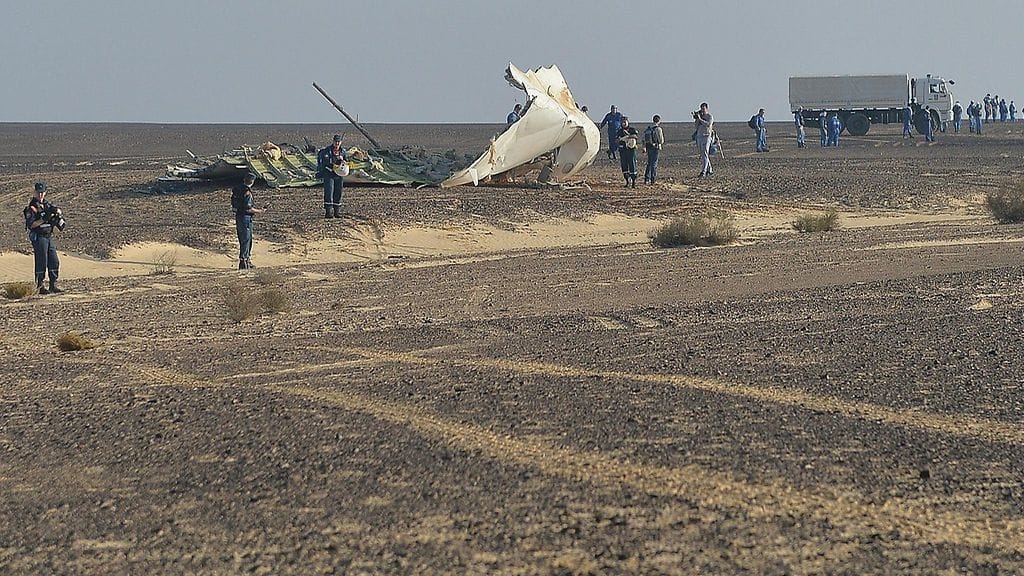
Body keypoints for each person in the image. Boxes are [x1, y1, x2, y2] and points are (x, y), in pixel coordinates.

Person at [23, 182, 62, 294]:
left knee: (54, 261)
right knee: (41, 261)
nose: (40, 195)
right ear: (35, 192)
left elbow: (56, 211)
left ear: (45, 192)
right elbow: (31, 224)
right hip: (39, 237)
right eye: (38, 192)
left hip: (48, 236)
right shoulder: (32, 207)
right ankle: (40, 286)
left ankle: (53, 285)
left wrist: (57, 213)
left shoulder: (46, 205)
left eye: (42, 192)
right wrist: (44, 219)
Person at [232, 173, 265, 270]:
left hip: (238, 216)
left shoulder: (237, 189)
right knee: (247, 239)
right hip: (245, 218)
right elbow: (248, 208)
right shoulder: (247, 192)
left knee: (243, 239)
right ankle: (244, 261)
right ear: (252, 181)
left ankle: (245, 260)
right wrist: (260, 211)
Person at [316, 134, 347, 219]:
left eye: (338, 142)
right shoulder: (327, 151)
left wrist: (343, 162)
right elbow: (324, 163)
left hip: (339, 174)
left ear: (341, 142)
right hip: (329, 174)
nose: (337, 143)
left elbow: (346, 161)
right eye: (336, 141)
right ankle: (328, 212)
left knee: (338, 191)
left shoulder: (343, 152)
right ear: (333, 141)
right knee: (329, 191)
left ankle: (337, 211)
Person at [616, 116, 640, 188]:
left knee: (632, 164)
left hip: (631, 150)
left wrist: (627, 137)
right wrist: (620, 140)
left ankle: (633, 182)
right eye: (622, 122)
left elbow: (635, 136)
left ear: (627, 122)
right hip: (623, 150)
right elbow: (616, 140)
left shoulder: (632, 129)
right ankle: (627, 181)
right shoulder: (619, 131)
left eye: (625, 122)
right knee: (624, 165)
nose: (623, 123)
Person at [642, 114, 664, 185]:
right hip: (655, 147)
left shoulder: (648, 129)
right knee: (654, 163)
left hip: (649, 147)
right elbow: (661, 140)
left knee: (649, 163)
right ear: (659, 121)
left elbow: (643, 139)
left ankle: (646, 178)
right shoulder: (658, 129)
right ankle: (652, 179)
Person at [694, 102, 714, 177]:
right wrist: (697, 119)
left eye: (704, 109)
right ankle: (710, 170)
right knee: (702, 154)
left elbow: (708, 124)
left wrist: (700, 119)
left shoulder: (710, 116)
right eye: (701, 109)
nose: (702, 110)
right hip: (699, 136)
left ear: (707, 109)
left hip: (706, 136)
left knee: (705, 153)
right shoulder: (700, 116)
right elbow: (696, 127)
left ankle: (704, 171)